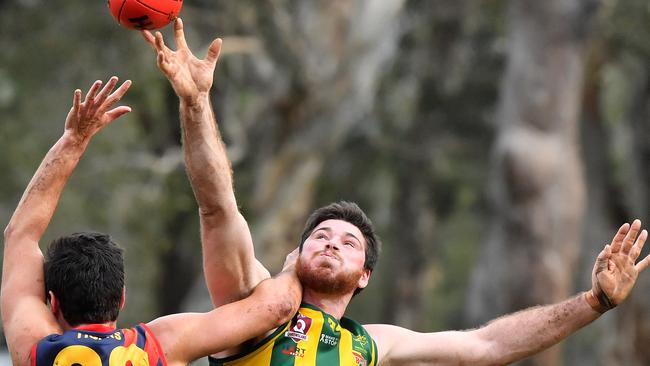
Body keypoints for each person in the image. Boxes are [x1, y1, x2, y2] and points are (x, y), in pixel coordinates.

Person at [142, 19, 650, 365]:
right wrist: (195, 104)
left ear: (364, 277)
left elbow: (487, 345)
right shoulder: (253, 303)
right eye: (321, 235)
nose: (331, 243)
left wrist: (595, 302)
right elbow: (217, 208)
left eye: (348, 243)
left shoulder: (370, 344)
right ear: (294, 254)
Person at [0, 76, 302, 366]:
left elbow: (20, 235)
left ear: (52, 302)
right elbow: (277, 308)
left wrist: (73, 141)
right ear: (121, 298)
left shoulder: (34, 348)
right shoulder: (161, 345)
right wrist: (294, 266)